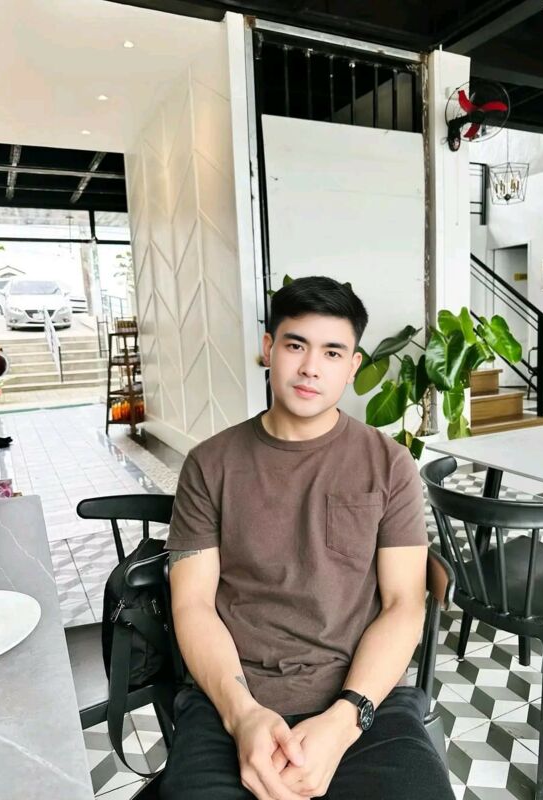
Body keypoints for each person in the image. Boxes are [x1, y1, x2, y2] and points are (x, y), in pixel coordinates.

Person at [160, 276, 454, 800]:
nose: (311, 367)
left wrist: (344, 720)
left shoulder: (389, 464)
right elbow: (193, 604)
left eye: (332, 352)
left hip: (361, 696)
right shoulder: (210, 464)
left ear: (352, 366)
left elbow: (404, 604)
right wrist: (243, 716)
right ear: (269, 349)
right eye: (296, 345)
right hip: (233, 696)